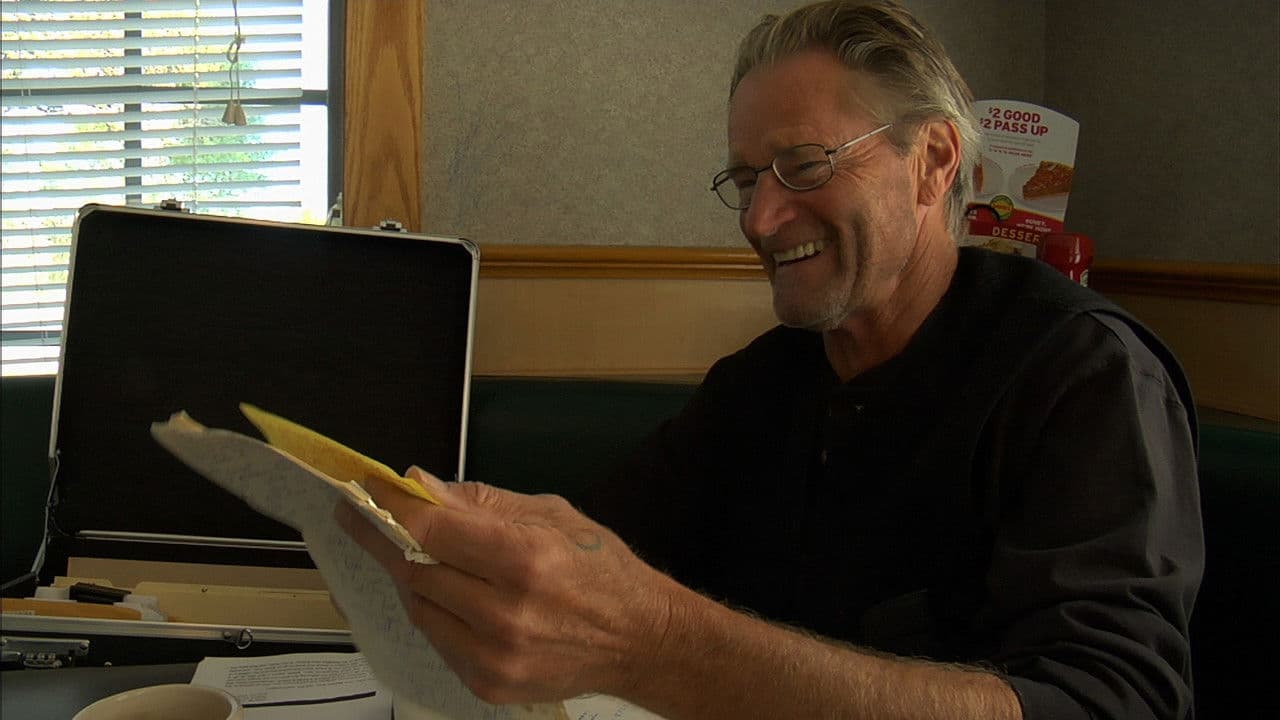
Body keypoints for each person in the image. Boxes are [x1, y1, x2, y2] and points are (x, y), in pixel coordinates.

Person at [339, 2, 1204, 718]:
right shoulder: (762, 384)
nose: (758, 220)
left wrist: (659, 645)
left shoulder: (1084, 375)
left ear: (933, 161)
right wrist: (469, 543)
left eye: (803, 165)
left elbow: (1112, 701)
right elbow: (606, 549)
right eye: (748, 180)